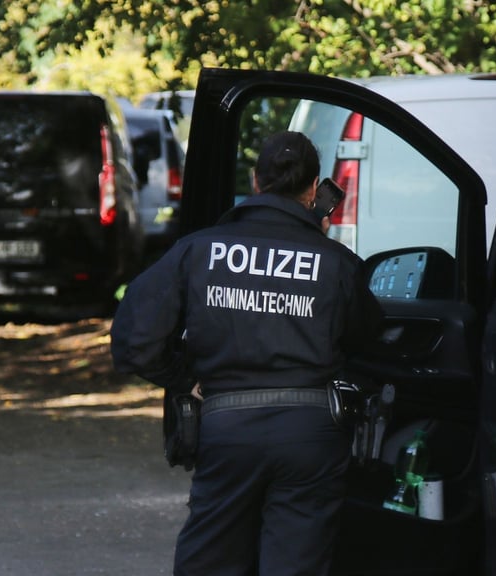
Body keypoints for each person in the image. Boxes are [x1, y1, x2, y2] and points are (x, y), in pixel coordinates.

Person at [110, 130, 382, 576]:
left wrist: (183, 380)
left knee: (210, 562)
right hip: (311, 435)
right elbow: (367, 337)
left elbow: (133, 341)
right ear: (314, 189)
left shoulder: (198, 250)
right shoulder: (334, 261)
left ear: (255, 183)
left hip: (226, 428)